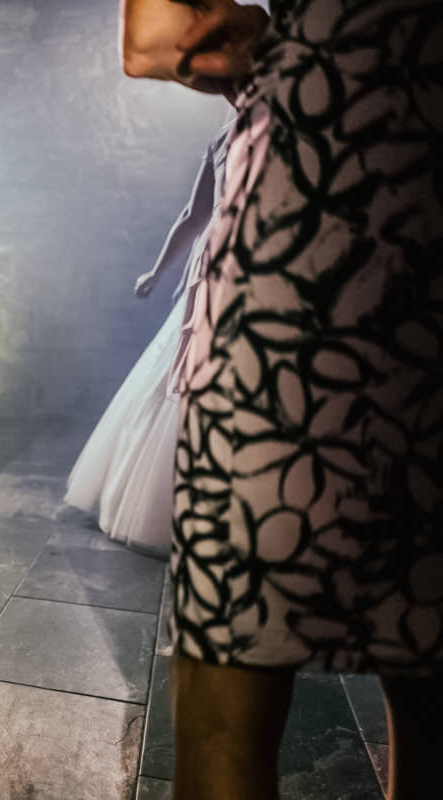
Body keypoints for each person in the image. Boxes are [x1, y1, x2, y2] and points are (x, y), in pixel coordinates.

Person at [121, 1, 443, 798]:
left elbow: (157, 37)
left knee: (236, 666)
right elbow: (188, 216)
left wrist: (298, 48)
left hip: (310, 209)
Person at [65, 111, 233, 557]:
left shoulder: (246, 126)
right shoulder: (226, 134)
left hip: (233, 254)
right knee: (181, 371)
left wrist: (159, 272)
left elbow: (194, 214)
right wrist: (158, 271)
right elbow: (195, 212)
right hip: (218, 258)